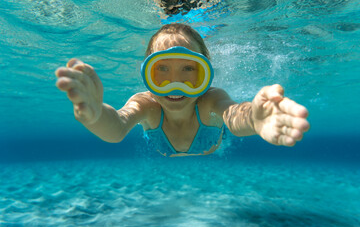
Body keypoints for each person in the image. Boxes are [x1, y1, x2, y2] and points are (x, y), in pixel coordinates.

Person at [55, 23, 310, 157]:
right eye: (162, 71)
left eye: (189, 70)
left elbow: (233, 114)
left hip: (211, 144)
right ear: (148, 75)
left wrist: (254, 118)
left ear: (205, 75)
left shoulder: (211, 100)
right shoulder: (147, 104)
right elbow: (117, 127)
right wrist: (97, 115)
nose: (175, 86)